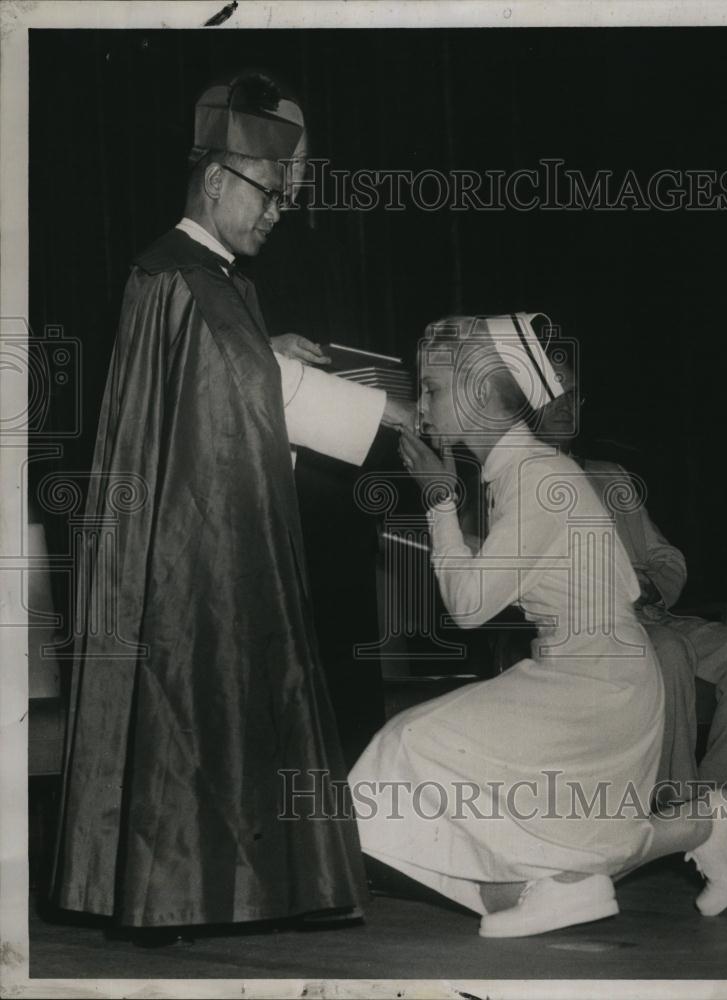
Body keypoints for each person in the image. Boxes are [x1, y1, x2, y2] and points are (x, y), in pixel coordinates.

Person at [52, 70, 413, 936]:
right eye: (267, 192)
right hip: (190, 539)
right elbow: (246, 388)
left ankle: (256, 887)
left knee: (234, 691)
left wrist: (263, 344)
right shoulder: (179, 277)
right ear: (216, 181)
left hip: (207, 525)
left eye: (284, 195)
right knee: (196, 689)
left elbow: (233, 374)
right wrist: (379, 409)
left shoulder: (206, 280)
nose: (278, 211)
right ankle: (172, 894)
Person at [348, 313, 727, 938]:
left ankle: (675, 836)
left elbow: (468, 606)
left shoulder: (540, 479)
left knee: (408, 748)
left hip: (600, 686)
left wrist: (437, 500)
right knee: (427, 763)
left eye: (431, 388)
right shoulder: (520, 473)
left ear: (480, 395)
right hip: (583, 673)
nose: (420, 404)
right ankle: (666, 839)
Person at [531, 384, 727, 801]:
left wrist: (652, 587)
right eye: (551, 392)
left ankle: (719, 802)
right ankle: (673, 804)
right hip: (584, 631)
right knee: (667, 651)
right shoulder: (510, 482)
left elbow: (666, 557)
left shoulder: (611, 475)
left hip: (653, 618)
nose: (565, 405)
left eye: (574, 395)